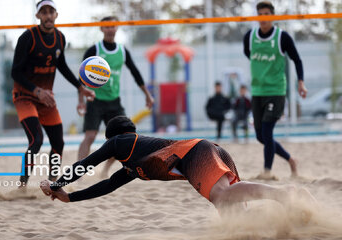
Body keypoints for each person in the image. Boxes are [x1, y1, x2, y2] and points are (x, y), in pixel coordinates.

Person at [40, 116, 317, 216]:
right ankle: (289, 218)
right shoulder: (132, 166)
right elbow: (108, 185)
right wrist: (70, 197)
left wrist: (55, 185)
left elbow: (86, 163)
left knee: (223, 196)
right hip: (202, 153)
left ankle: (288, 194)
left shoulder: (121, 142)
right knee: (232, 215)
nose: (107, 151)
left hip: (194, 153)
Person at [11, 0, 95, 186]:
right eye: (44, 12)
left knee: (59, 143)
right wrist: (37, 91)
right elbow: (15, 72)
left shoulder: (60, 38)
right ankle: (22, 185)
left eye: (51, 12)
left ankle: (53, 183)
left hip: (46, 99)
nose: (48, 15)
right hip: (24, 96)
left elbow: (62, 66)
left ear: (56, 14)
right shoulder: (28, 37)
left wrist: (80, 87)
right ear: (38, 16)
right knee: (37, 140)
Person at [77, 16, 154, 177]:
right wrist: (81, 101)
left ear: (116, 28)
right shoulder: (94, 50)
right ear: (101, 29)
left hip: (114, 102)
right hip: (95, 100)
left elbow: (135, 73)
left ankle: (104, 170)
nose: (110, 29)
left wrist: (147, 95)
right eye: (107, 26)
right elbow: (81, 78)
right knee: (89, 136)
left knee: (123, 138)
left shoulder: (122, 51)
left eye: (113, 26)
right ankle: (79, 173)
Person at [243, 1, 308, 179]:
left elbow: (297, 59)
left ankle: (267, 172)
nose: (263, 18)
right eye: (260, 14)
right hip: (257, 91)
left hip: (276, 91)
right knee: (260, 136)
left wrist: (300, 82)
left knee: (267, 131)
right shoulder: (249, 37)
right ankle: (290, 159)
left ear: (272, 16)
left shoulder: (282, 37)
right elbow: (248, 54)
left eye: (266, 14)